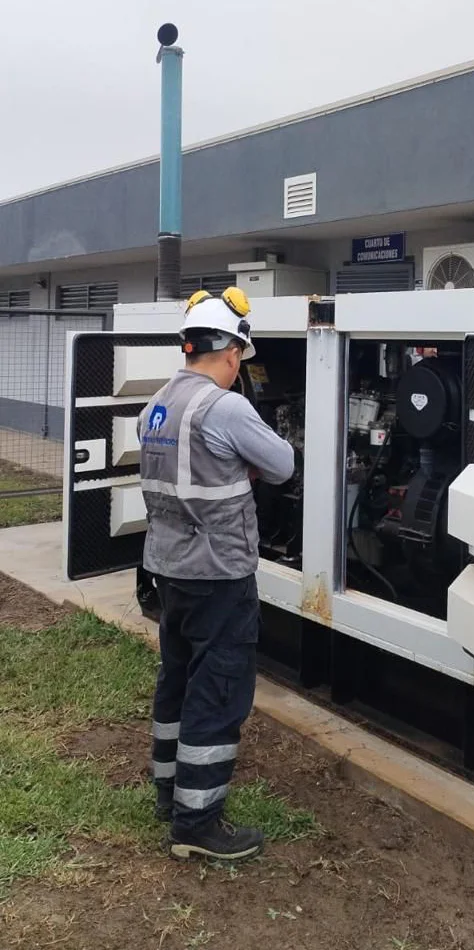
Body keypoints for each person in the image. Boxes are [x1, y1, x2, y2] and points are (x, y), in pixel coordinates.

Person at [137, 287, 294, 861]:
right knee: (219, 689)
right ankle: (197, 824)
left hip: (170, 568)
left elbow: (187, 473)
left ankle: (169, 792)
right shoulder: (224, 407)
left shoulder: (156, 406)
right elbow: (283, 465)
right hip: (219, 573)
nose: (238, 369)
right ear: (230, 352)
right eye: (239, 359)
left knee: (178, 677)